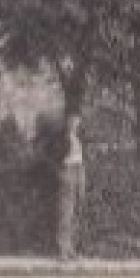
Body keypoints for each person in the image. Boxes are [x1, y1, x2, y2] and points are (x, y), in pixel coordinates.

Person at [55, 112, 87, 261]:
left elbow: (81, 159)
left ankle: (71, 249)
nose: (75, 124)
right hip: (67, 171)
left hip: (78, 171)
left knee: (75, 212)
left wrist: (81, 178)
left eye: (77, 121)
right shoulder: (62, 139)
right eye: (72, 121)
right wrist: (61, 171)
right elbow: (54, 157)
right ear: (67, 123)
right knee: (65, 212)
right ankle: (62, 250)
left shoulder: (79, 139)